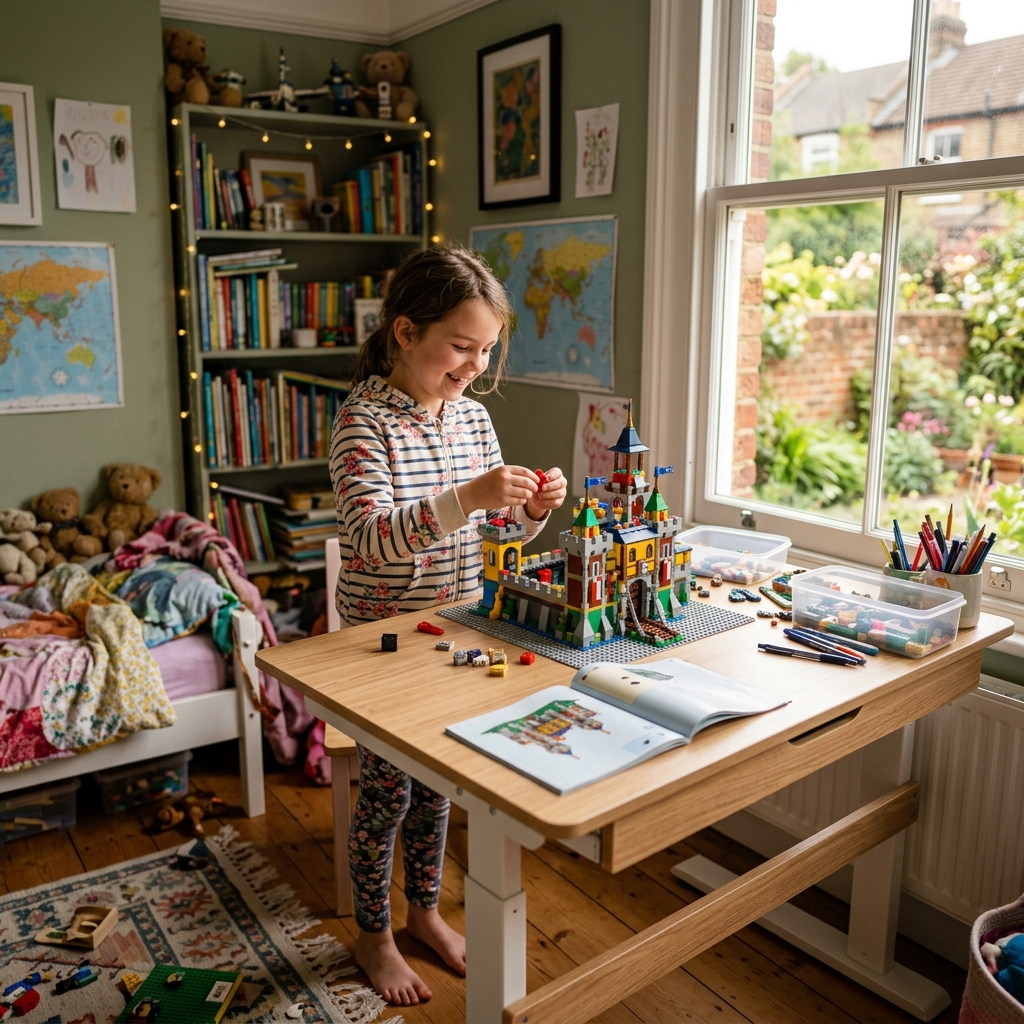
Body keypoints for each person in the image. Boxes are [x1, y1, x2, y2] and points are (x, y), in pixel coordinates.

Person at [328, 244, 567, 1006]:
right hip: (381, 640)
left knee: (438, 792)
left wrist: (526, 516)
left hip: (455, 626)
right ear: (405, 332)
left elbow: (492, 542)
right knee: (387, 797)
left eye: (486, 350)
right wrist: (469, 496)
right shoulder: (362, 421)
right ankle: (374, 936)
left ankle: (424, 914)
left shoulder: (473, 420)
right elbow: (369, 536)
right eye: (460, 346)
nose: (473, 365)